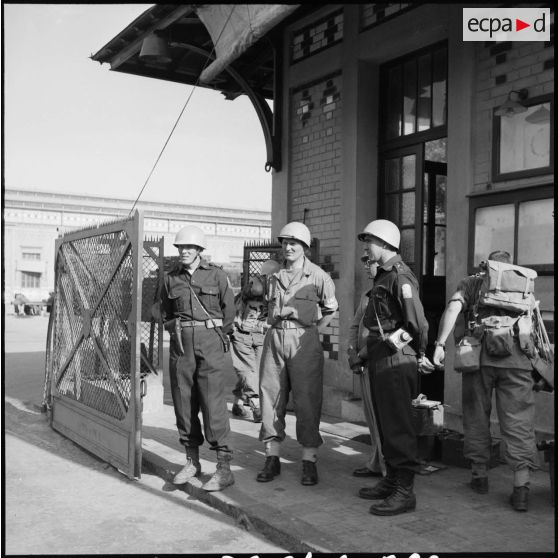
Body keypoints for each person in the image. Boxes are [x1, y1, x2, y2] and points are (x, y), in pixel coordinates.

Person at [432, 250, 539, 512]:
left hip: (478, 359)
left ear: (487, 266)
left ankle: (479, 477)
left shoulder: (472, 282)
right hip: (517, 361)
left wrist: (440, 344)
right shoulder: (522, 286)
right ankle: (521, 487)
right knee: (519, 420)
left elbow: (453, 309)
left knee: (476, 415)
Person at [357, 219, 433, 516]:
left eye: (370, 242)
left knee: (399, 424)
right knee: (386, 423)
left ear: (386, 244)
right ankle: (391, 479)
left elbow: (416, 324)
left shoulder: (400, 277)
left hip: (396, 360)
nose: (366, 247)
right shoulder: (382, 277)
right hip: (380, 356)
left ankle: (405, 491)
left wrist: (418, 352)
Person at [257, 222, 338, 486]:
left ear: (304, 247)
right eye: (284, 243)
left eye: (294, 243)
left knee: (307, 398)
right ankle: (272, 457)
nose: (288, 247)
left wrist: (312, 332)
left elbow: (331, 309)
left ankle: (309, 460)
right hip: (275, 339)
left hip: (304, 340)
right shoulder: (274, 275)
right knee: (270, 397)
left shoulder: (318, 276)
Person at [159, 225, 236, 492]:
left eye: (189, 247)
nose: (184, 251)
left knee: (213, 400)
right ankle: (192, 461)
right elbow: (165, 311)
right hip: (182, 344)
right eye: (181, 247)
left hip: (210, 341)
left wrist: (215, 336)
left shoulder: (217, 275)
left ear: (200, 250)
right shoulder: (171, 279)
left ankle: (223, 467)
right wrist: (175, 329)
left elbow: (230, 312)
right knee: (183, 400)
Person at [347, 252, 386, 478]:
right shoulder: (367, 294)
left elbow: (384, 333)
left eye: (368, 262)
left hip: (379, 361)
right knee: (371, 418)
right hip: (364, 362)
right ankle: (376, 461)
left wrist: (361, 354)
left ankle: (386, 468)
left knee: (382, 419)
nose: (365, 266)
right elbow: (355, 325)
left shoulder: (387, 292)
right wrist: (351, 352)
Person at [230, 259, 280, 423]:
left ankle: (238, 403)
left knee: (254, 372)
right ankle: (256, 405)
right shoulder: (257, 285)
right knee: (247, 371)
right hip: (242, 333)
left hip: (260, 336)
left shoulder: (277, 287)